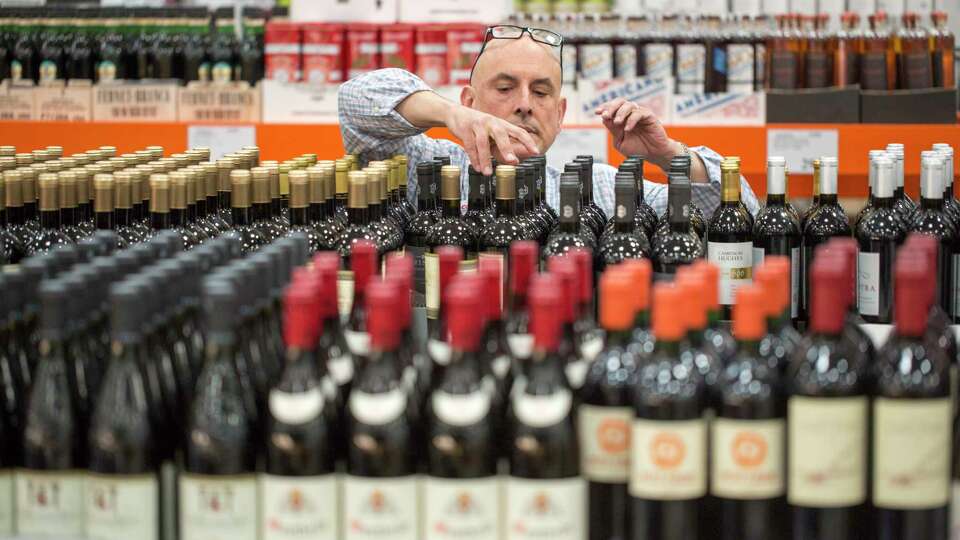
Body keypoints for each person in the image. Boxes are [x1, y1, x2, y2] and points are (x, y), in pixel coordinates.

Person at [338, 24, 760, 220]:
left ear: (558, 116)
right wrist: (449, 114)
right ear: (471, 100)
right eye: (504, 88)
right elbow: (356, 103)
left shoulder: (601, 188)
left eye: (540, 93)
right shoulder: (426, 170)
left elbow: (740, 210)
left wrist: (669, 156)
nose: (524, 104)